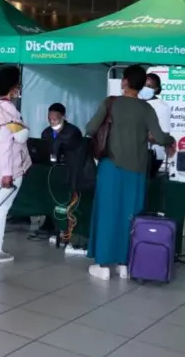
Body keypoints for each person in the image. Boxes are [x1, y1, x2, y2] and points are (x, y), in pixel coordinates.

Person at [85, 65, 175, 281]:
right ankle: (125, 264)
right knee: (131, 216)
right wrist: (169, 141)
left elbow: (90, 129)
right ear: (143, 85)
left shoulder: (110, 103)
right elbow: (161, 137)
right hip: (137, 170)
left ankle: (102, 265)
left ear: (124, 82)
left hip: (111, 168)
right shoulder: (146, 109)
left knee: (108, 214)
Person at [0, 66, 32, 263]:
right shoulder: (10, 114)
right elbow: (6, 145)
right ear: (12, 89)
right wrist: (7, 173)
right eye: (18, 85)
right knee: (2, 209)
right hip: (7, 170)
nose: (19, 89)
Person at [36, 103, 83, 241]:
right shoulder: (46, 132)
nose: (51, 121)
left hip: (68, 171)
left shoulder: (73, 132)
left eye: (55, 118)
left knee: (64, 198)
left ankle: (63, 225)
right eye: (49, 118)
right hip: (51, 170)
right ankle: (49, 222)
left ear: (63, 117)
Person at [140, 73, 172, 176]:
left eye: (149, 86)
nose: (145, 88)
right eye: (143, 85)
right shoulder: (136, 103)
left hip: (151, 155)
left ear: (157, 89)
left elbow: (164, 135)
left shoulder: (162, 107)